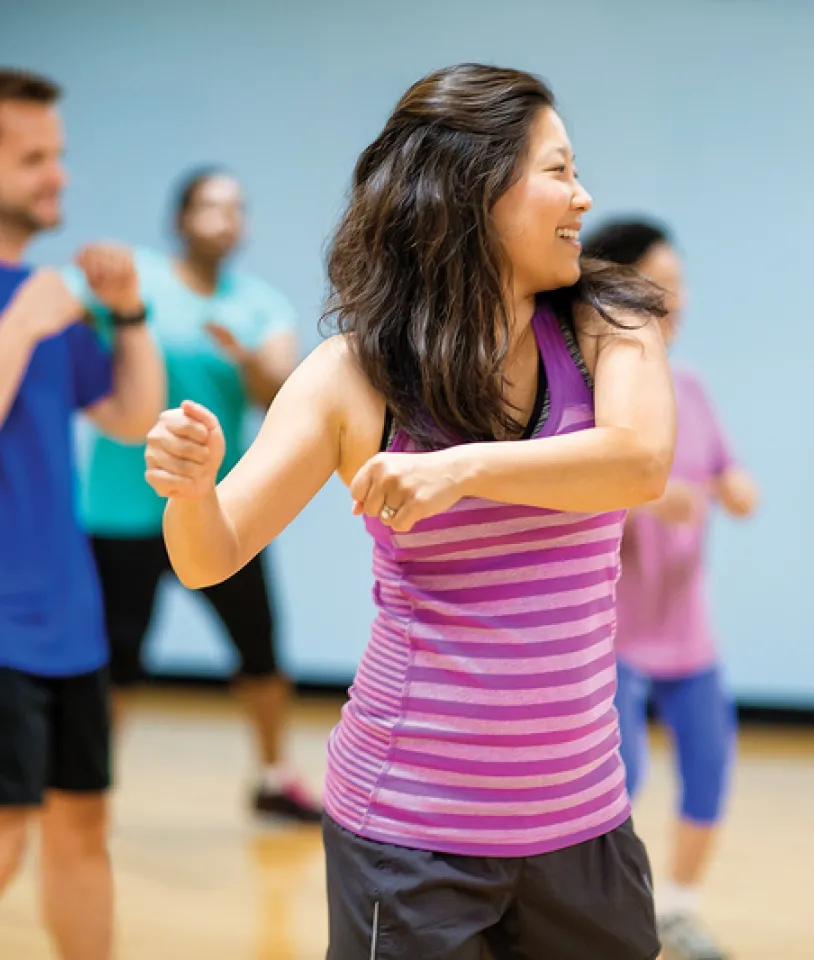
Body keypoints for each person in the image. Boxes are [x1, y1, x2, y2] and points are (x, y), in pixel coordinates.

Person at [144, 63, 677, 960]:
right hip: (409, 832)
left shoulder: (608, 325)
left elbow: (637, 462)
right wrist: (191, 494)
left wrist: (461, 470)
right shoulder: (355, 375)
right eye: (557, 170)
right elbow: (211, 553)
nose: (582, 196)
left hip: (584, 822)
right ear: (475, 194)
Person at [67, 168, 323, 823]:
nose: (226, 219)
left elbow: (282, 398)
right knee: (117, 661)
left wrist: (246, 357)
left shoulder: (259, 306)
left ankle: (273, 777)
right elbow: (58, 315)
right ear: (180, 219)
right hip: (122, 512)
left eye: (237, 208)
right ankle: (92, 784)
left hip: (220, 512)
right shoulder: (135, 283)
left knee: (260, 650)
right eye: (211, 207)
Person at [0, 68, 164, 959]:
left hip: (67, 619)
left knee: (80, 830)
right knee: (4, 839)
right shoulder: (31, 306)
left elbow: (132, 419)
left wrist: (129, 312)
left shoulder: (50, 299)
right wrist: (20, 326)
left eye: (56, 155)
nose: (58, 176)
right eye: (34, 159)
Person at [584, 219, 760, 960]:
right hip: (616, 629)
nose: (677, 300)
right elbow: (580, 488)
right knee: (616, 774)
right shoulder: (592, 388)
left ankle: (680, 907)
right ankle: (607, 910)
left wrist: (730, 487)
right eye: (663, 284)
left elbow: (729, 476)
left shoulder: (690, 386)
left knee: (711, 761)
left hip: (688, 627)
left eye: (682, 285)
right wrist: (651, 496)